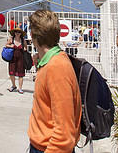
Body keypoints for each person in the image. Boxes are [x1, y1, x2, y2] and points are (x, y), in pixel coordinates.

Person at [27, 9, 80, 153]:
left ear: (32, 35)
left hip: (47, 148)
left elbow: (63, 135)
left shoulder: (56, 68)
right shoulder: (49, 62)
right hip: (40, 143)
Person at [5, 28, 27, 93]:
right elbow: (6, 45)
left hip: (21, 59)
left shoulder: (23, 40)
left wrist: (25, 49)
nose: (17, 33)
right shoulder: (11, 39)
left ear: (21, 34)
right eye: (16, 32)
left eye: (19, 32)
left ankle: (20, 88)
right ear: (14, 33)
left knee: (21, 74)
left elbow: (26, 47)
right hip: (12, 58)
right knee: (11, 73)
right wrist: (10, 46)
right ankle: (13, 85)